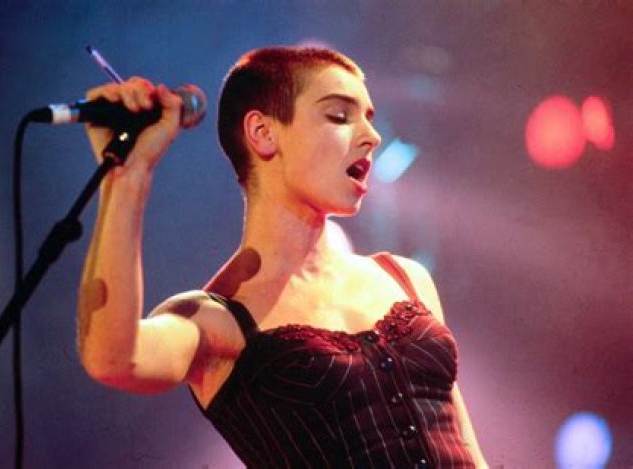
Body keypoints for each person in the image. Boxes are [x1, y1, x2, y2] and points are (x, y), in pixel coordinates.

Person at [77, 46, 488, 468]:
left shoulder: (404, 277)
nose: (372, 135)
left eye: (369, 117)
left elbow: (469, 449)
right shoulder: (218, 320)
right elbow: (113, 358)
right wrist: (126, 178)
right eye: (339, 116)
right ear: (263, 133)